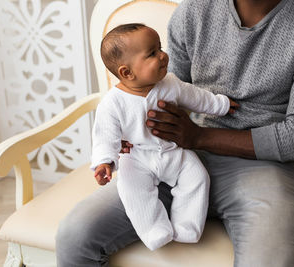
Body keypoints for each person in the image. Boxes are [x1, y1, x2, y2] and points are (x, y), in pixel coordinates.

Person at [56, 0, 294, 266]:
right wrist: (134, 127)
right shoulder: (192, 13)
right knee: (75, 235)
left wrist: (197, 137)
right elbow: (168, 96)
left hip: (267, 168)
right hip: (176, 157)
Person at [90, 23, 237, 251]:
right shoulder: (112, 103)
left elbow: (197, 97)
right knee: (132, 190)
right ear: (127, 72)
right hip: (137, 157)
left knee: (197, 177)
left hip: (173, 152)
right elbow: (105, 136)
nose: (163, 56)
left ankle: (187, 226)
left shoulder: (170, 83)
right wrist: (104, 162)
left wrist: (222, 105)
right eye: (152, 53)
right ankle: (153, 229)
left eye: (160, 48)